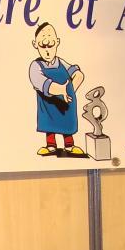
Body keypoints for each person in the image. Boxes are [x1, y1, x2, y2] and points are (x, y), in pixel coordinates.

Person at [28, 23, 87, 158]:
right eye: (43, 46)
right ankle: (51, 145)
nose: (47, 50)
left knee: (66, 122)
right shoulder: (35, 66)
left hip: (65, 103)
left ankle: (69, 145)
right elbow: (41, 82)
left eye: (51, 45)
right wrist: (61, 89)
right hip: (48, 102)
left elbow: (78, 74)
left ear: (57, 42)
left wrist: (70, 90)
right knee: (49, 122)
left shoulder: (61, 62)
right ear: (35, 44)